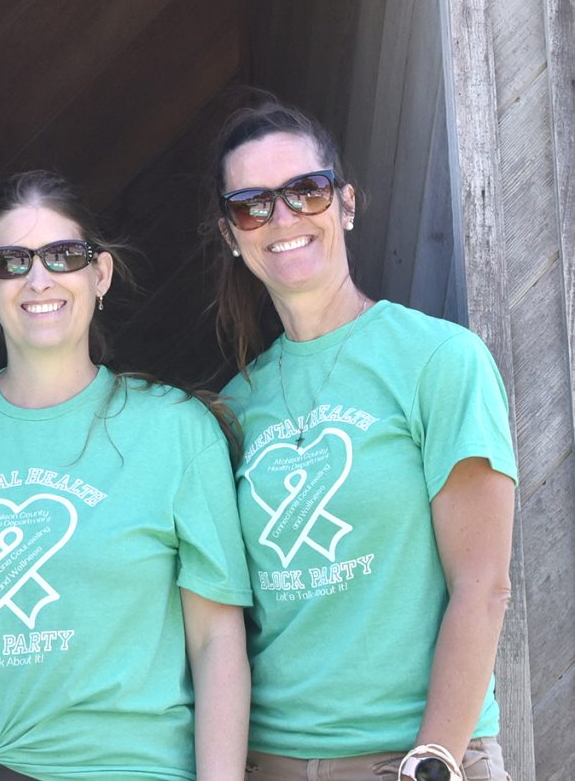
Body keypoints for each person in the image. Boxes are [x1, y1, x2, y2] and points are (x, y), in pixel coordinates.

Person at [0, 170, 251, 781]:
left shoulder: (173, 428)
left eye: (63, 256)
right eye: (12, 262)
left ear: (101, 274)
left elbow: (216, 644)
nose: (39, 280)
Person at [211, 95, 517, 781]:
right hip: (274, 764)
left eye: (306, 191)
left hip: (415, 759)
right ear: (232, 234)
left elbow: (483, 584)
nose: (282, 217)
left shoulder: (438, 359)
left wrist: (433, 758)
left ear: (346, 203)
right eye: (252, 204)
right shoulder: (234, 408)